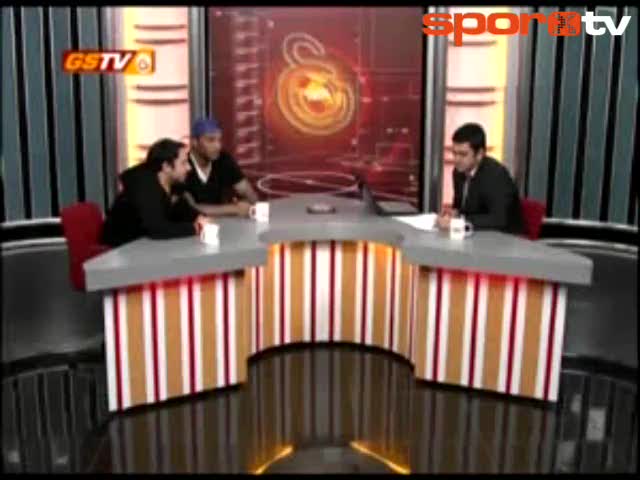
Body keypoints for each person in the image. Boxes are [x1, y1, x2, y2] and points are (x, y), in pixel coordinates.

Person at [101, 138, 209, 247]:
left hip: (145, 246)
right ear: (166, 166)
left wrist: (198, 218)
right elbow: (156, 229)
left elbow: (183, 211)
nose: (189, 168)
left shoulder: (174, 185)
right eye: (184, 163)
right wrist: (195, 228)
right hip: (118, 249)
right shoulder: (144, 187)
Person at [437, 123, 524, 234]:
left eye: (463, 154)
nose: (456, 159)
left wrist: (460, 221)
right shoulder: (458, 172)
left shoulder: (496, 176)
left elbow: (499, 219)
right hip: (473, 234)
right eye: (454, 153)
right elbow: (461, 207)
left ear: (479, 154)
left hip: (504, 238)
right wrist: (454, 213)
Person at [182, 117, 259, 217]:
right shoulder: (183, 165)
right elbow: (189, 209)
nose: (218, 146)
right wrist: (233, 209)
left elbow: (250, 195)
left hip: (223, 223)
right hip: (192, 225)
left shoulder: (223, 159)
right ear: (194, 142)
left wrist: (250, 205)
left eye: (219, 140)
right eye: (211, 140)